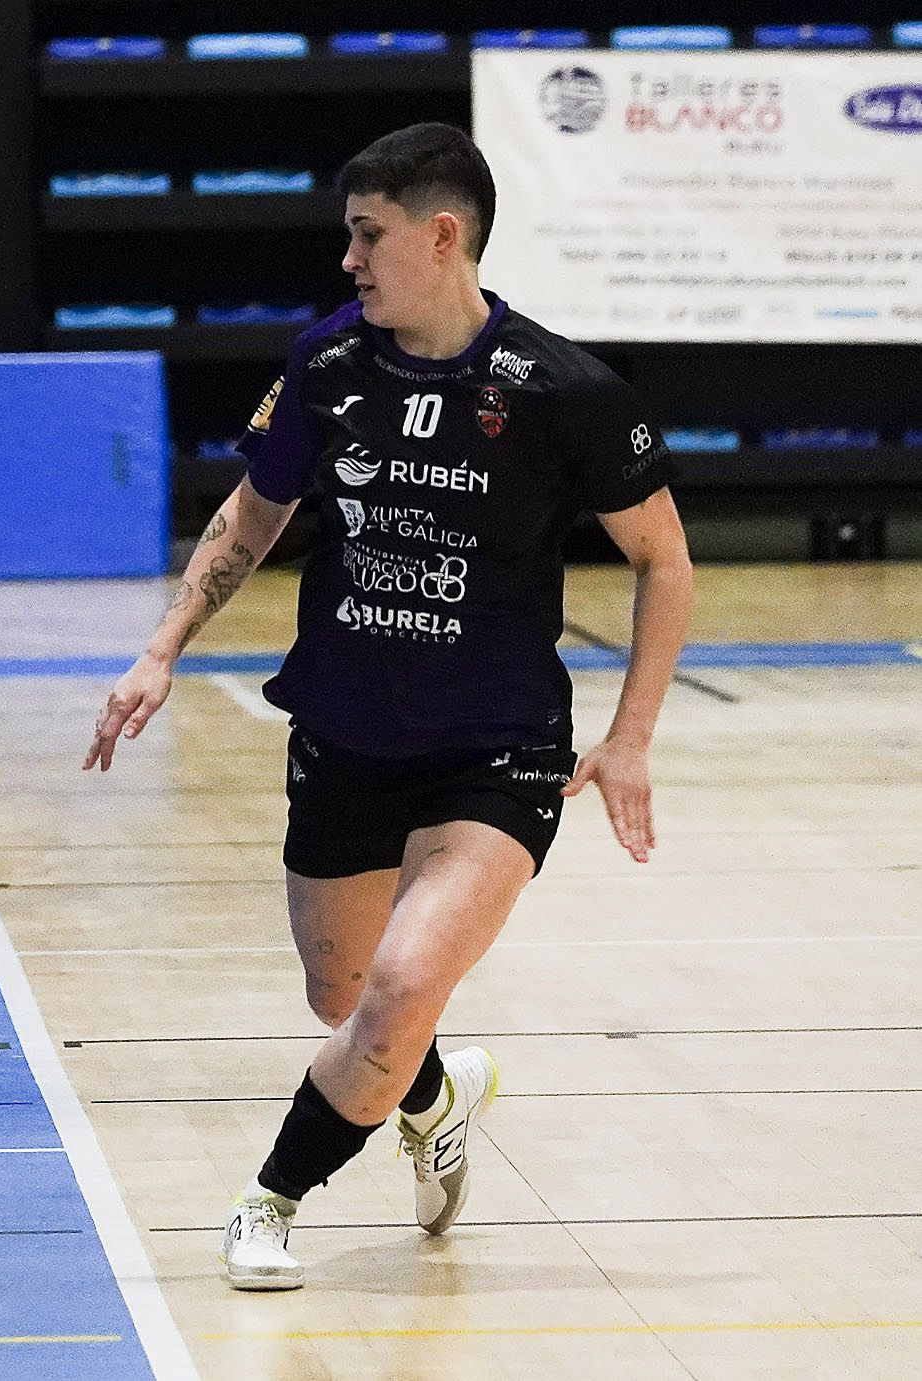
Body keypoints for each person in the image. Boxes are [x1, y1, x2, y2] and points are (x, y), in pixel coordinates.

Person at [82, 123, 693, 1291]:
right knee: (343, 996)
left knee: (404, 989)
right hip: (343, 734)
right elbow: (253, 513)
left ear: (440, 234)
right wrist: (159, 649)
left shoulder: (563, 391)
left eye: (367, 237)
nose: (350, 262)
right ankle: (436, 1091)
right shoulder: (325, 365)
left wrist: (628, 739)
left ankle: (267, 1202)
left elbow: (662, 558)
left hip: (496, 755)